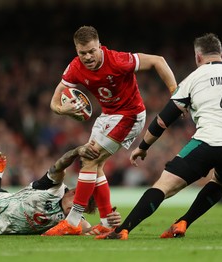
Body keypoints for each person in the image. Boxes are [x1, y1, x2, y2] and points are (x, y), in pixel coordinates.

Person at [96, 33, 222, 240]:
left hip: (207, 143)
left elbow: (164, 120)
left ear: (198, 57)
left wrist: (143, 146)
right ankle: (184, 222)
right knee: (219, 183)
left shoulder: (194, 77)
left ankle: (122, 230)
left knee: (163, 187)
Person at [44, 25, 177, 236]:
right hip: (107, 115)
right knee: (95, 167)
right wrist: (62, 109)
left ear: (99, 46)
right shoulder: (76, 66)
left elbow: (157, 60)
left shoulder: (117, 60)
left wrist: (174, 92)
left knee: (90, 159)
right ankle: (107, 221)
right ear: (76, 50)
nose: (87, 57)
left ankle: (73, 220)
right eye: (82, 52)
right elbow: (54, 100)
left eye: (91, 51)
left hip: (130, 115)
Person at [0, 142, 122, 235]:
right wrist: (77, 151)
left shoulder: (73, 220)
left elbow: (92, 231)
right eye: (75, 198)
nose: (73, 209)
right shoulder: (53, 187)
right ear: (73, 193)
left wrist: (109, 221)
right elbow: (59, 166)